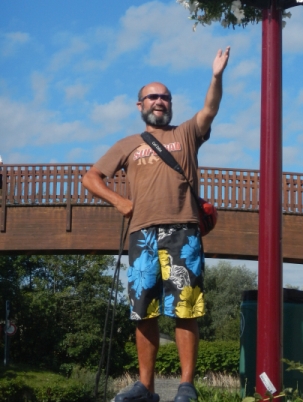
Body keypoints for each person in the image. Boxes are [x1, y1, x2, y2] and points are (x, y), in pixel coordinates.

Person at [82, 47, 230, 402]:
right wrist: (119, 201)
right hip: (142, 234)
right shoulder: (128, 144)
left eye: (165, 97)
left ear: (171, 104)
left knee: (185, 308)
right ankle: (145, 388)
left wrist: (216, 76)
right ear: (140, 105)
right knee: (143, 310)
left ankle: (186, 385)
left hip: (183, 231)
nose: (159, 101)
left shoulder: (188, 134)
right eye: (152, 97)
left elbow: (210, 108)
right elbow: (91, 177)